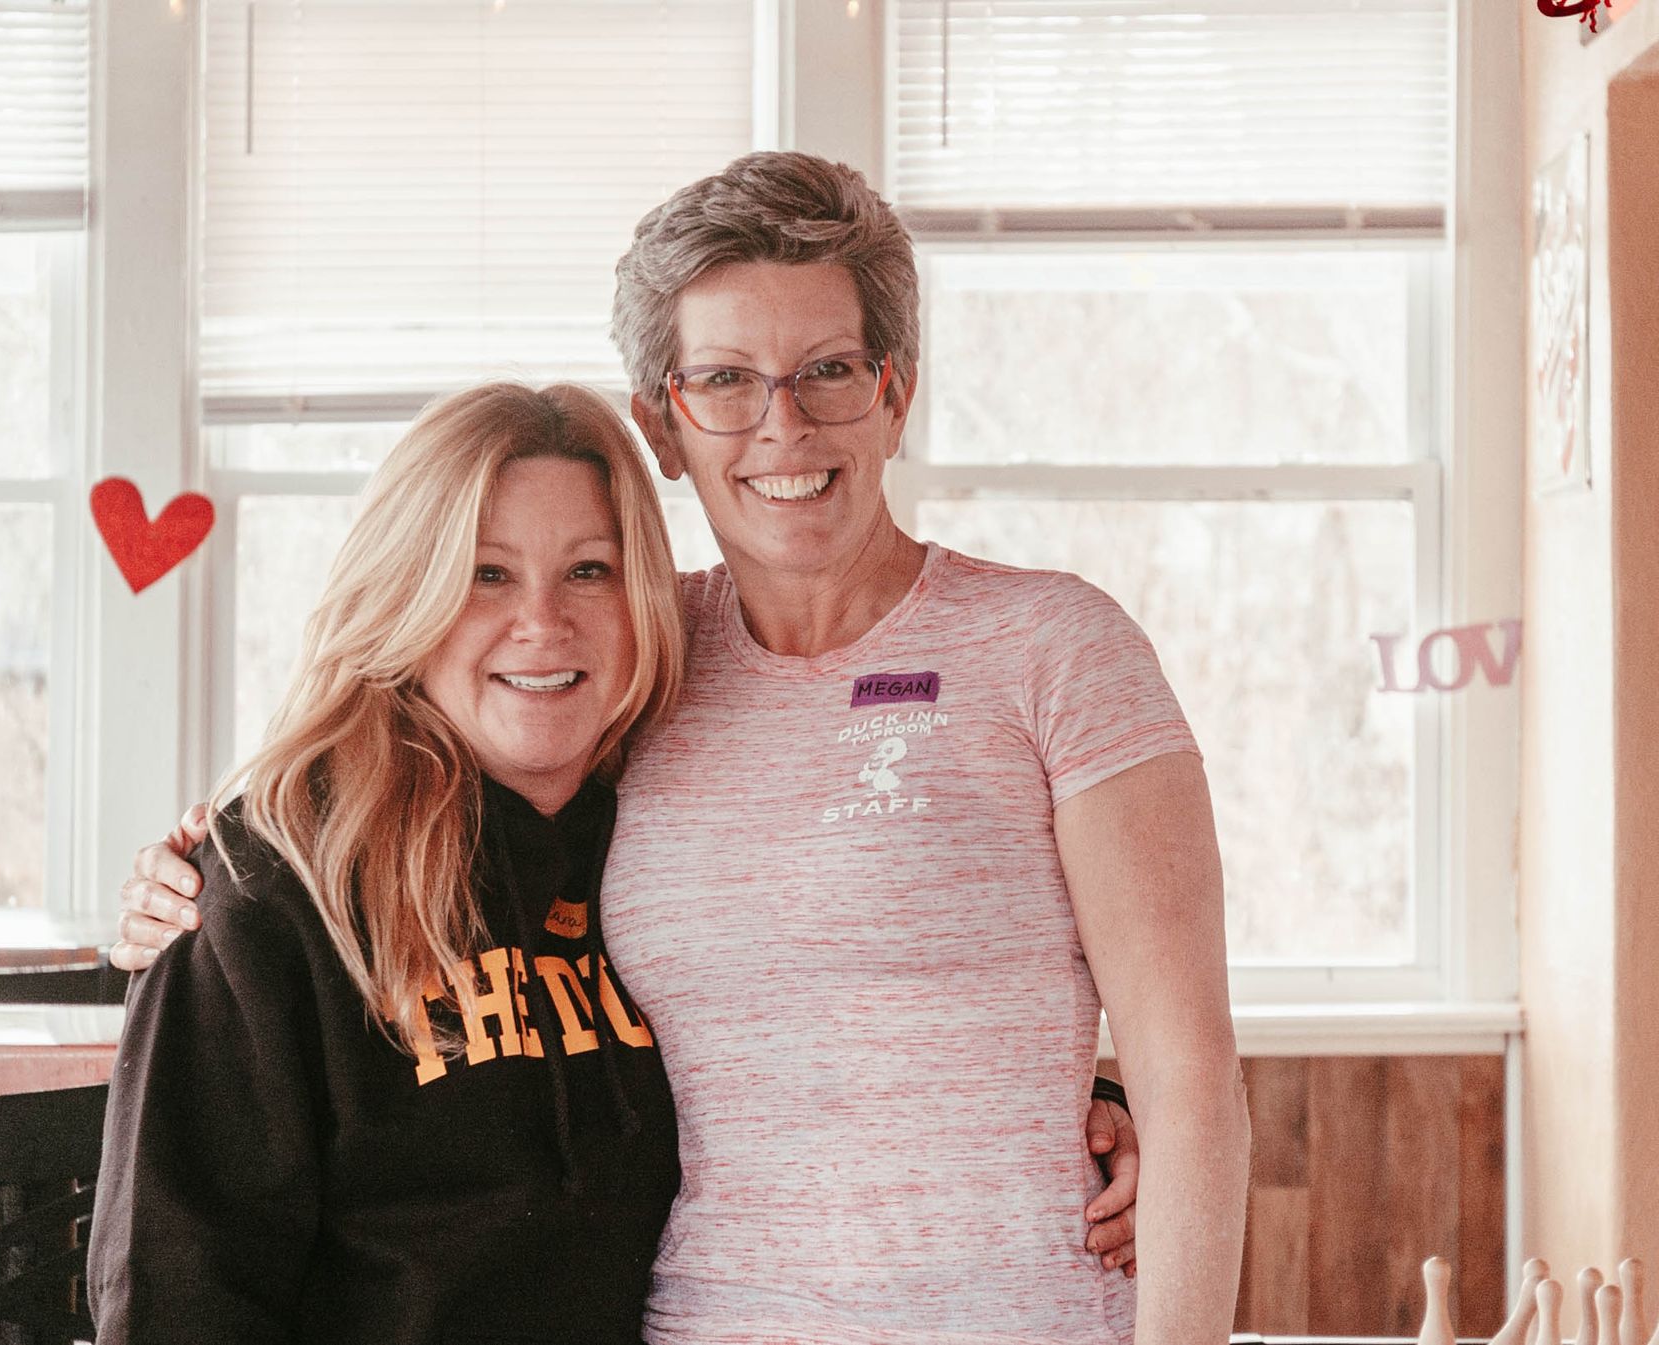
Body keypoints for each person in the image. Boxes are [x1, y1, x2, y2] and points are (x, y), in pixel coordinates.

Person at [116, 152, 1248, 1345]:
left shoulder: (1050, 647)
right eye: (725, 380)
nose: (784, 424)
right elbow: (423, 763)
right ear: (664, 422)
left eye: (829, 371)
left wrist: (1096, 1105)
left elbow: (1188, 1067)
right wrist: (199, 877)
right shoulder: (643, 663)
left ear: (895, 392)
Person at [87, 383, 690, 1344]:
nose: (543, 620)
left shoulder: (675, 847)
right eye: (487, 574)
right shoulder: (272, 882)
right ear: (409, 594)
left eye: (589, 570)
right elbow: (177, 1299)